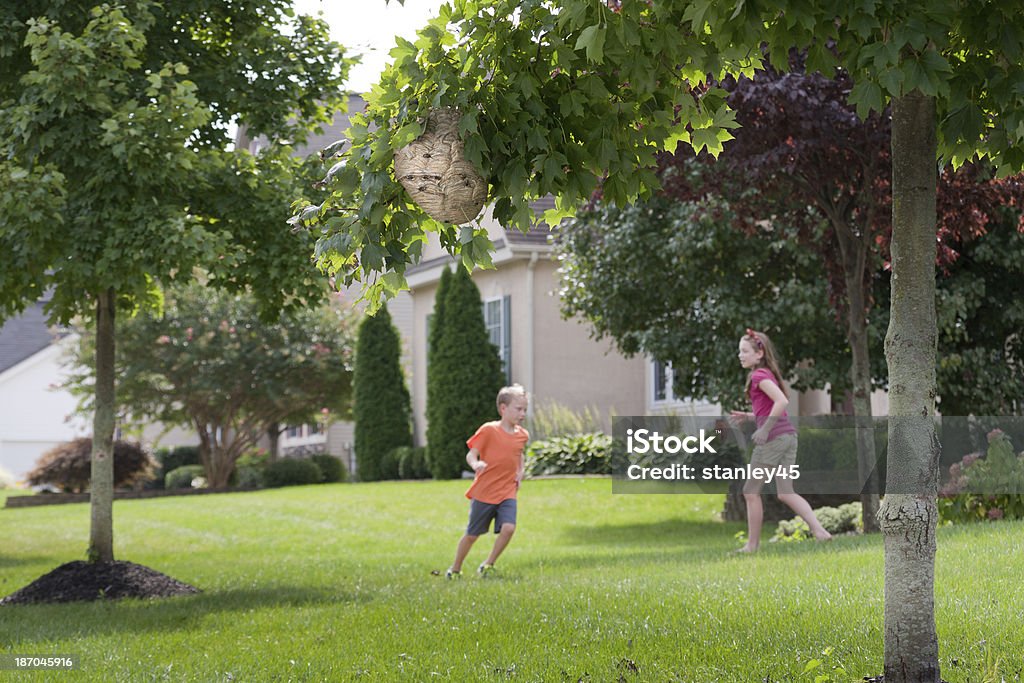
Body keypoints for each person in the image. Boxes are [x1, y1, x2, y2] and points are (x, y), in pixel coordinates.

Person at [729, 328, 832, 553]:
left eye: (745, 351)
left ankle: (752, 546)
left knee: (750, 491)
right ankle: (820, 532)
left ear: (759, 353)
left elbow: (781, 401)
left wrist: (764, 430)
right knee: (785, 492)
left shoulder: (758, 376)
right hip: (787, 436)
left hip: (774, 439)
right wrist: (749, 417)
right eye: (740, 351)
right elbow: (772, 406)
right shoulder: (765, 373)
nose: (740, 355)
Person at [446, 384, 529, 578]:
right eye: (518, 409)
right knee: (472, 535)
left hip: (508, 490)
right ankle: (455, 568)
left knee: (509, 528)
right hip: (485, 492)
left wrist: (520, 471)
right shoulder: (489, 430)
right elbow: (471, 453)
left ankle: (488, 564)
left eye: (525, 409)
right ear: (503, 408)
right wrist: (476, 464)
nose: (522, 413)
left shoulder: (522, 435)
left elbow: (519, 454)